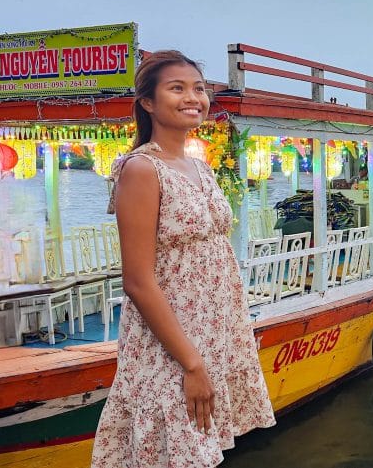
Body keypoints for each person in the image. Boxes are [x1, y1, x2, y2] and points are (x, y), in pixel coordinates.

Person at [92, 51, 275, 468]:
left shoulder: (199, 167)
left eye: (198, 88)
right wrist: (191, 363)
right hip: (171, 346)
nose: (193, 97)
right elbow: (137, 281)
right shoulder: (141, 170)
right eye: (177, 88)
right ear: (148, 103)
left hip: (210, 335)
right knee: (172, 453)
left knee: (198, 450)